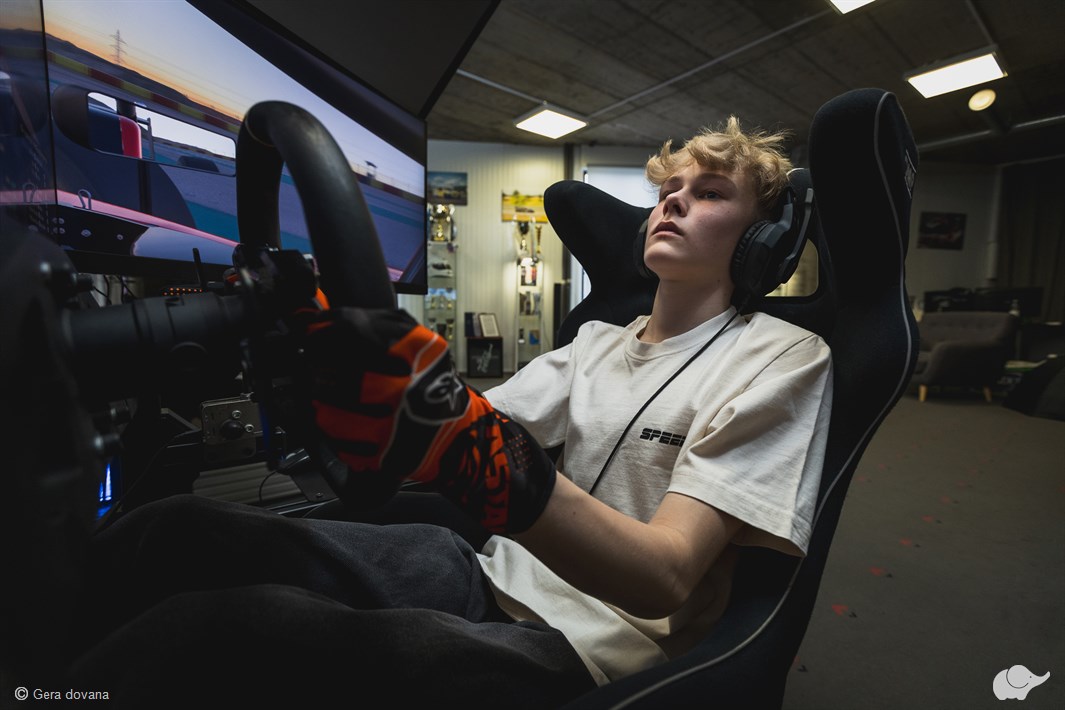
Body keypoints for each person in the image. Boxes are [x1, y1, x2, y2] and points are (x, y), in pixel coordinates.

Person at [66, 116, 831, 708]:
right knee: (175, 532)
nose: (674, 202)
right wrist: (333, 359)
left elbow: (664, 578)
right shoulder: (599, 341)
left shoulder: (782, 358)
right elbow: (462, 420)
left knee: (212, 636)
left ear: (761, 242)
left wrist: (473, 448)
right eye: (670, 190)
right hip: (490, 572)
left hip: (591, 644)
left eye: (709, 193)